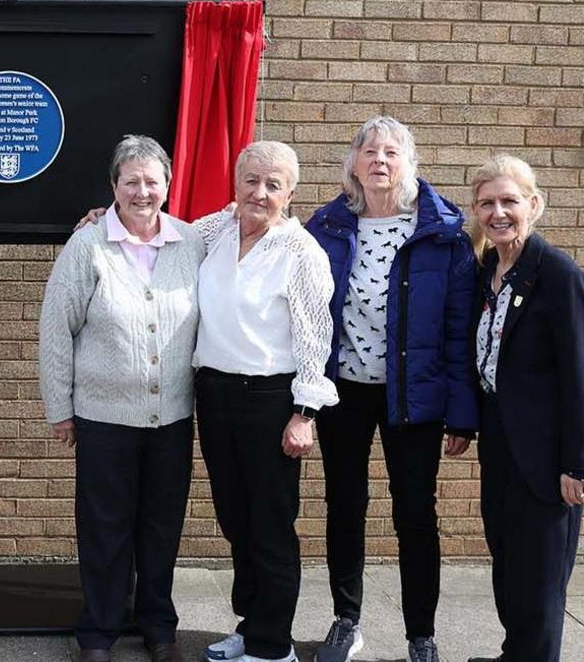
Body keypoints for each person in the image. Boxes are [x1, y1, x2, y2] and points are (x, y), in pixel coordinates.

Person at [305, 116, 477, 662]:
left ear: (409, 163)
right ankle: (345, 619)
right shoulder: (325, 227)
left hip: (415, 396)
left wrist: (461, 413)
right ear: (353, 162)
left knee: (414, 514)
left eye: (391, 152)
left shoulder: (443, 232)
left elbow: (459, 328)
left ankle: (420, 634)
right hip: (345, 394)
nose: (380, 160)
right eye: (370, 151)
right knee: (345, 505)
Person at [40, 135, 206, 662]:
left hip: (173, 417)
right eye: (130, 181)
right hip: (102, 417)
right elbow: (55, 331)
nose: (141, 191)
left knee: (161, 526)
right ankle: (99, 632)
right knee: (105, 527)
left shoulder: (192, 242)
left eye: (151, 181)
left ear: (168, 185)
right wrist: (59, 409)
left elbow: (250, 212)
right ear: (114, 186)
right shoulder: (87, 245)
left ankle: (158, 626)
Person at [195, 141, 337, 662]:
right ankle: (252, 624)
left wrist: (304, 414)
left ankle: (274, 646)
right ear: (236, 184)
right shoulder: (213, 231)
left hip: (271, 401)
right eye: (251, 180)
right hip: (214, 393)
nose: (259, 192)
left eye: (273, 185)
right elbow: (156, 237)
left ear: (290, 194)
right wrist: (103, 216)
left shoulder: (301, 252)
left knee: (270, 524)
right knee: (235, 519)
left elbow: (315, 338)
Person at [464, 155, 584, 662]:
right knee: (509, 569)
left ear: (534, 205)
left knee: (539, 586)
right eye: (487, 203)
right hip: (501, 450)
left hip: (547, 461)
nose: (498, 212)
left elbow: (580, 374)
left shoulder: (556, 274)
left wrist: (576, 464)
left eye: (509, 201)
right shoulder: (488, 269)